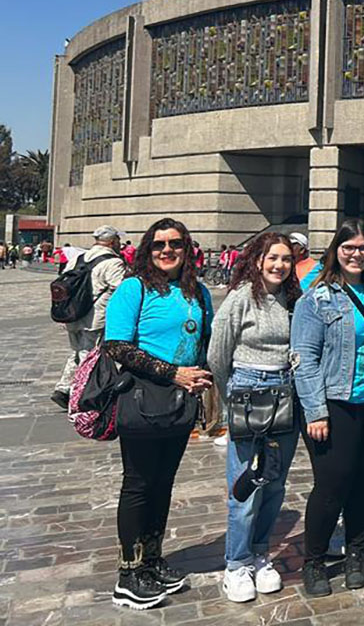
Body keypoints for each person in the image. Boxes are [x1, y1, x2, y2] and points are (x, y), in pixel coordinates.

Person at [104, 218, 214, 610]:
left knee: (163, 482)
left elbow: (205, 340)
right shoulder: (134, 288)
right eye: (159, 245)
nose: (167, 251)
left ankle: (152, 558)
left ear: (188, 250)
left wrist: (201, 376)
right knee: (138, 483)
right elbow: (116, 345)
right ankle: (128, 572)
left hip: (183, 401)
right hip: (143, 397)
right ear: (147, 250)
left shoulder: (198, 292)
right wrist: (173, 373)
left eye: (176, 244)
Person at [291, 218, 364, 597]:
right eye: (348, 247)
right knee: (332, 483)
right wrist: (315, 411)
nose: (356, 254)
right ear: (335, 251)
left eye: (363, 248)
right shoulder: (317, 297)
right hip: (336, 401)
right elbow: (303, 358)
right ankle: (315, 560)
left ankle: (357, 549)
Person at [207, 233, 302, 603]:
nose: (280, 265)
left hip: (285, 392)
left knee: (275, 481)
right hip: (249, 390)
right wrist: (229, 397)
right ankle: (237, 562)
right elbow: (218, 353)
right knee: (246, 484)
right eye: (273, 257)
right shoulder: (241, 297)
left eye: (286, 259)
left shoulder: (292, 299)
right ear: (258, 259)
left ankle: (261, 552)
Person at [50, 226, 126, 409]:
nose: (120, 243)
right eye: (118, 240)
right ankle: (83, 394)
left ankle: (64, 388)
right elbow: (122, 289)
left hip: (73, 313)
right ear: (112, 241)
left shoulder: (78, 258)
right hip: (94, 317)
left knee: (77, 351)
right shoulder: (113, 262)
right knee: (89, 355)